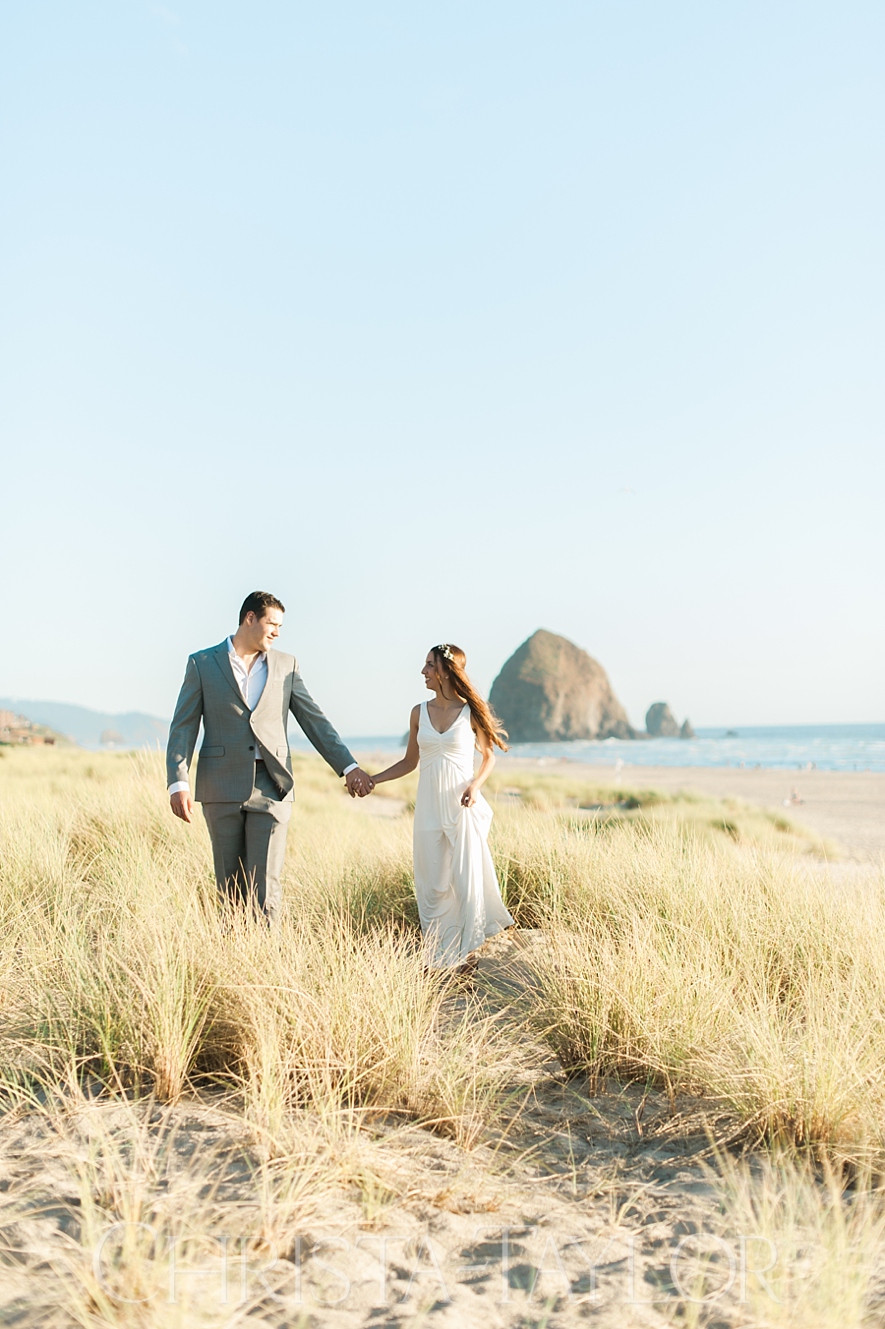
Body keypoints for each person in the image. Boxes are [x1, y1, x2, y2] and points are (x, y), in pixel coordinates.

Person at [166, 590, 373, 923]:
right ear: (250, 619)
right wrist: (178, 781)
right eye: (272, 624)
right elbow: (184, 726)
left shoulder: (286, 665)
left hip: (273, 785)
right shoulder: (202, 663)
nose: (277, 632)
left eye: (280, 626)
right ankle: (231, 959)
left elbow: (313, 720)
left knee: (266, 888)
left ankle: (266, 960)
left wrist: (348, 766)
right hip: (219, 786)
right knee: (229, 888)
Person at [369, 644, 514, 972]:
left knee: (464, 880)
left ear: (446, 671)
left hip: (462, 806)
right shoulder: (418, 712)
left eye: (429, 665)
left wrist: (475, 786)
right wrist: (374, 780)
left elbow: (489, 756)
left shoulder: (470, 712)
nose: (423, 671)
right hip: (429, 808)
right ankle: (437, 957)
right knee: (433, 883)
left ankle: (468, 957)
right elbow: (409, 762)